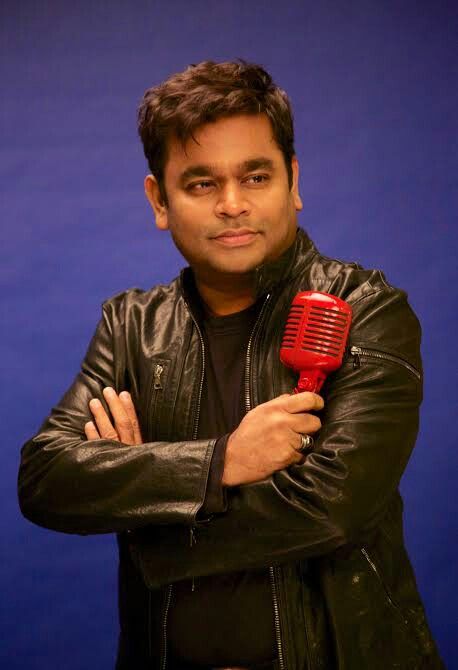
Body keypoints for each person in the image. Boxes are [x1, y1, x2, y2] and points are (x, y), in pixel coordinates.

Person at [18, 60, 444, 670]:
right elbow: (45, 479)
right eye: (200, 184)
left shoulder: (365, 310)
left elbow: (332, 508)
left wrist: (144, 513)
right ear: (158, 199)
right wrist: (223, 462)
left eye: (255, 176)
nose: (232, 204)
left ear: (292, 181)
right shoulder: (132, 327)